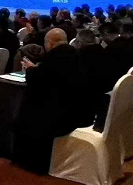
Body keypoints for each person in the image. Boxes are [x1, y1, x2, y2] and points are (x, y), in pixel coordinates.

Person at [12, 28, 90, 173]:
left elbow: (38, 80)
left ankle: (29, 160)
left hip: (60, 116)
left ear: (49, 43)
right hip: (78, 109)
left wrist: (30, 69)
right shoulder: (75, 54)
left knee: (27, 113)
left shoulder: (54, 57)